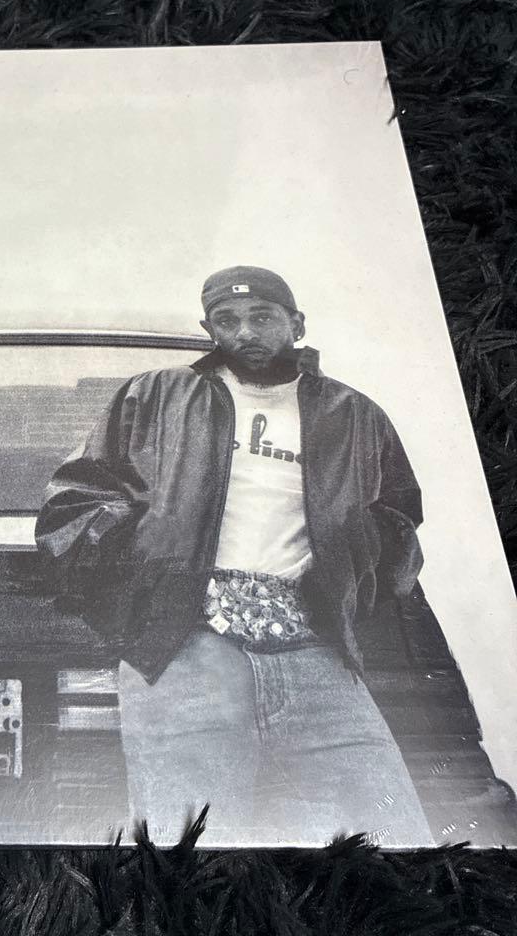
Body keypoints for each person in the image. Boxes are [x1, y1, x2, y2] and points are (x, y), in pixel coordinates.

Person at [35, 265, 434, 846]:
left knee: (392, 835)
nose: (245, 332)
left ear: (297, 324)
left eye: (262, 317)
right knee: (190, 845)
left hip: (314, 645)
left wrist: (349, 584)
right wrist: (145, 589)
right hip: (185, 646)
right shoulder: (155, 395)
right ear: (209, 329)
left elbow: (397, 517)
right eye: (227, 320)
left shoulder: (355, 415)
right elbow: (73, 504)